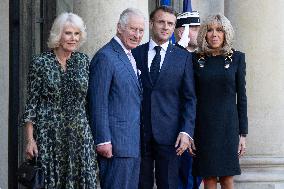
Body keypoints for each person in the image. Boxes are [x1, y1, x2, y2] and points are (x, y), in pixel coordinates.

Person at [22, 12, 98, 188]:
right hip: (49, 137)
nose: (73, 38)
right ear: (58, 34)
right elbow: (32, 104)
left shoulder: (83, 61)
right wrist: (30, 140)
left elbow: (88, 101)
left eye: (77, 34)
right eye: (68, 33)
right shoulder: (40, 62)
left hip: (79, 137)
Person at [132, 6, 196, 189]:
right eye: (161, 22)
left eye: (170, 24)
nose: (165, 27)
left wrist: (186, 131)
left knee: (168, 184)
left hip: (171, 136)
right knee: (140, 184)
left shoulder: (183, 58)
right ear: (152, 24)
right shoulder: (135, 53)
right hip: (139, 133)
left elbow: (190, 98)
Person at [88, 8, 145, 189]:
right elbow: (97, 102)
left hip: (132, 144)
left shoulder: (130, 55)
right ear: (119, 28)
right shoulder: (106, 56)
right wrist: (103, 140)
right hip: (115, 146)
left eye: (141, 31)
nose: (137, 35)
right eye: (133, 29)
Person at [192, 14, 248, 189]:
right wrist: (190, 132)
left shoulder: (237, 58)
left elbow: (242, 97)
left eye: (219, 30)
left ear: (226, 34)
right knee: (208, 177)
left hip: (228, 127)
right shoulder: (196, 59)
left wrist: (243, 134)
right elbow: (191, 97)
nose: (214, 34)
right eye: (209, 30)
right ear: (204, 34)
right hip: (204, 128)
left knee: (227, 177)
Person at [174, 11, 203, 189]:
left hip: (200, 128)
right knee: (181, 180)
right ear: (180, 31)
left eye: (199, 28)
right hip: (179, 128)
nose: (198, 32)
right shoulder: (173, 55)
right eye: (193, 28)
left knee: (196, 178)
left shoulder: (202, 57)